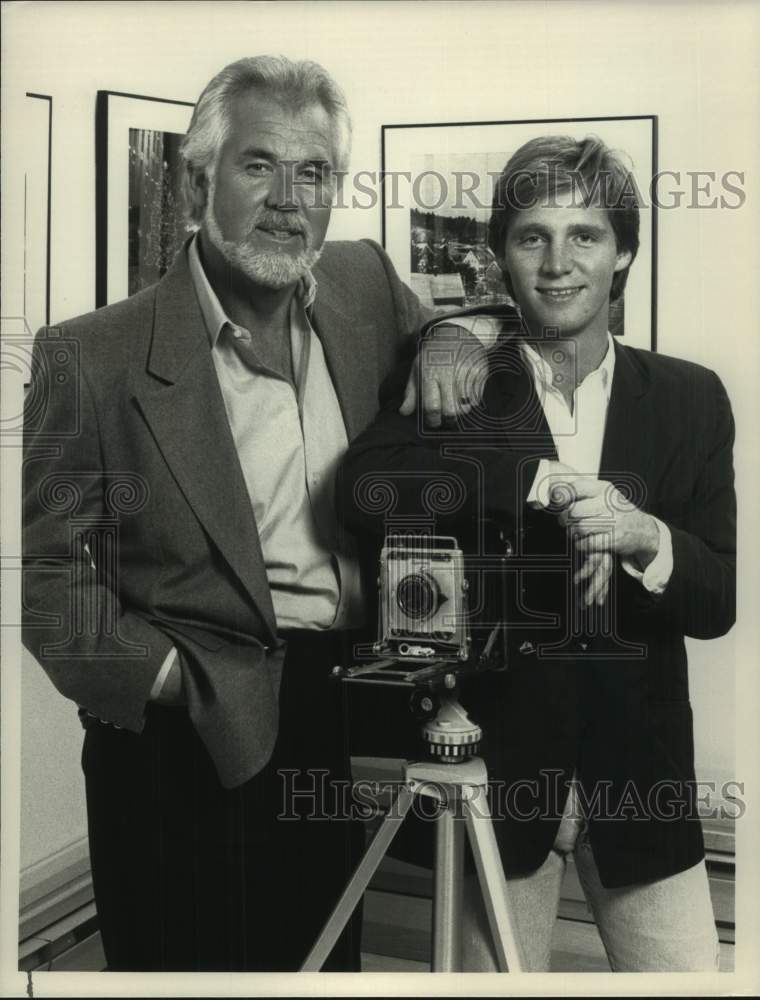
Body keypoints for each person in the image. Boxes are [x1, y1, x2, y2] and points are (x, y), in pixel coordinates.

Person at [21, 55, 482, 972]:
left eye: (312, 172)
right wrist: (172, 685)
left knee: (319, 963)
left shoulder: (359, 286)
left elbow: (454, 321)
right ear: (199, 180)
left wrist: (452, 337)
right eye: (259, 165)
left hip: (335, 710)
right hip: (179, 734)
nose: (288, 199)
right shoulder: (91, 357)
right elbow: (50, 587)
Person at [338, 135, 735, 971]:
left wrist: (647, 538)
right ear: (500, 257)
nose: (558, 264)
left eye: (584, 236)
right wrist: (539, 479)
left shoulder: (691, 399)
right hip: (493, 776)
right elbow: (362, 490)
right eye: (531, 237)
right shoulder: (455, 375)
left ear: (623, 251)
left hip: (641, 787)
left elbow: (717, 600)